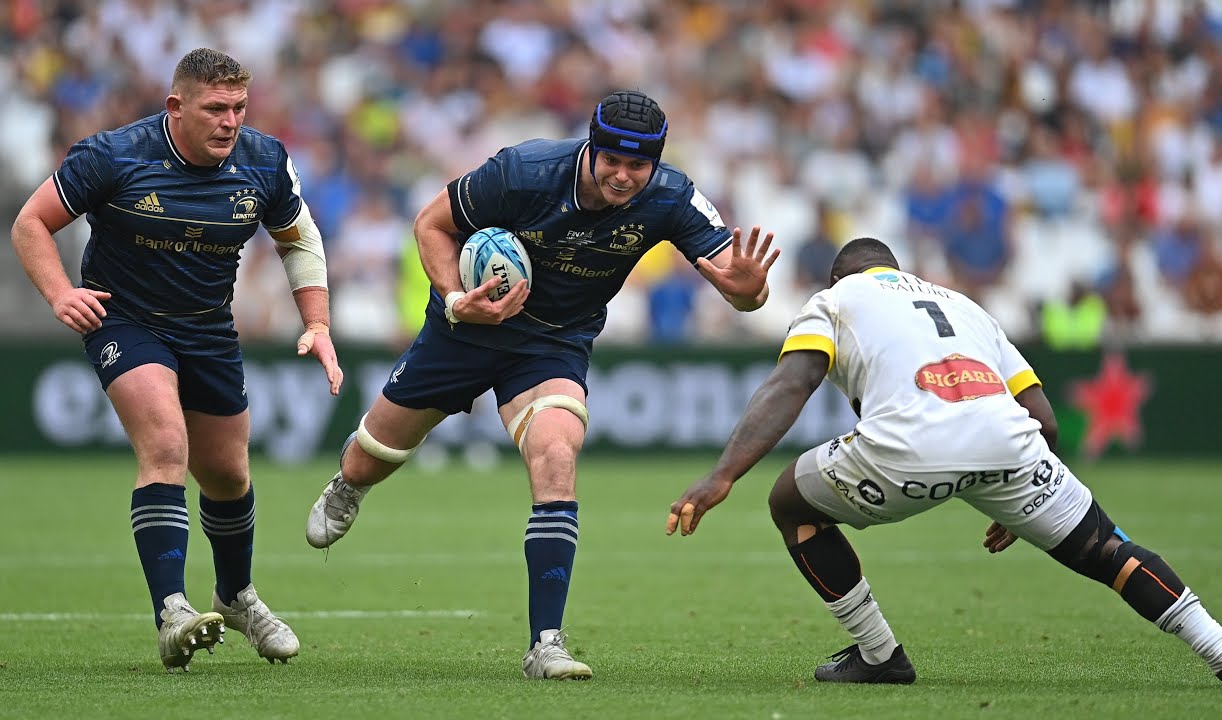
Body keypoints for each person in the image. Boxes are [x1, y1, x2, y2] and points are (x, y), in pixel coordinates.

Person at [305, 90, 779, 679]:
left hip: (553, 343)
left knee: (557, 453)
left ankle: (545, 644)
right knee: (370, 458)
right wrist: (457, 299)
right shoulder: (522, 172)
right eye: (613, 161)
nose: (625, 177)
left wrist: (750, 288)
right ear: (590, 148)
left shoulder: (672, 196)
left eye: (639, 165)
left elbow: (738, 288)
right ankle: (349, 485)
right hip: (465, 330)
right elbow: (431, 224)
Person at [665, 237, 1222, 689]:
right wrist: (1020, 499)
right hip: (1009, 445)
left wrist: (723, 475)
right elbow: (1044, 417)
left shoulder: (835, 299)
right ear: (898, 271)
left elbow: (790, 384)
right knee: (1105, 549)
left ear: (839, 276)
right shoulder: (965, 306)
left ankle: (879, 656)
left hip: (905, 451)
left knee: (788, 502)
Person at [10, 48, 343, 672]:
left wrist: (318, 323)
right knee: (165, 446)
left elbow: (300, 240)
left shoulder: (264, 161)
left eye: (239, 108)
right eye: (216, 109)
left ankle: (236, 596)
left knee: (227, 475)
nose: (230, 122)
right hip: (126, 321)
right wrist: (61, 294)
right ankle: (172, 611)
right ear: (177, 107)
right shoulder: (113, 156)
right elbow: (31, 223)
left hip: (208, 328)